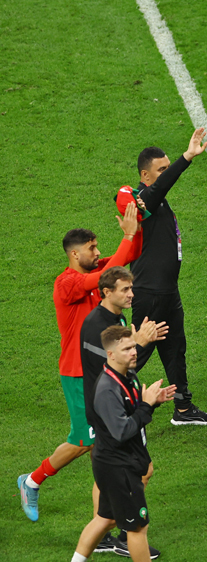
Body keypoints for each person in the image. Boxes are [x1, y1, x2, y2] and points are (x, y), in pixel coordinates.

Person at [17, 204, 140, 524]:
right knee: (86, 441)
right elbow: (108, 273)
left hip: (103, 370)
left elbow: (128, 256)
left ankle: (103, 525)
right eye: (92, 248)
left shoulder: (91, 273)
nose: (98, 252)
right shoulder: (67, 282)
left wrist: (141, 219)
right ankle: (31, 481)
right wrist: (126, 235)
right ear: (74, 254)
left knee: (105, 448)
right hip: (76, 373)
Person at [130, 127, 207, 425]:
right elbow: (162, 186)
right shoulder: (145, 198)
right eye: (161, 170)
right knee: (136, 353)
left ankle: (183, 408)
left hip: (167, 291)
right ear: (146, 176)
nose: (167, 174)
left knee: (174, 349)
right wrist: (187, 157)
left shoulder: (159, 200)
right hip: (150, 292)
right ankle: (103, 403)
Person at [80, 266, 167, 557]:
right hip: (109, 410)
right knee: (122, 474)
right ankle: (121, 527)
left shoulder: (115, 318)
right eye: (125, 290)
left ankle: (111, 524)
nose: (131, 294)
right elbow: (120, 368)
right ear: (107, 292)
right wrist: (140, 343)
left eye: (131, 289)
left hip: (120, 403)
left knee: (128, 473)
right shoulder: (96, 327)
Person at [69, 325, 175, 562]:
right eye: (127, 348)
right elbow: (122, 431)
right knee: (137, 529)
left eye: (133, 346)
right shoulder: (108, 389)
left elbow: (130, 413)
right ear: (111, 354)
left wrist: (153, 402)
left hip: (117, 463)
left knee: (105, 519)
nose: (134, 352)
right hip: (119, 468)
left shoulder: (128, 376)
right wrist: (146, 406)